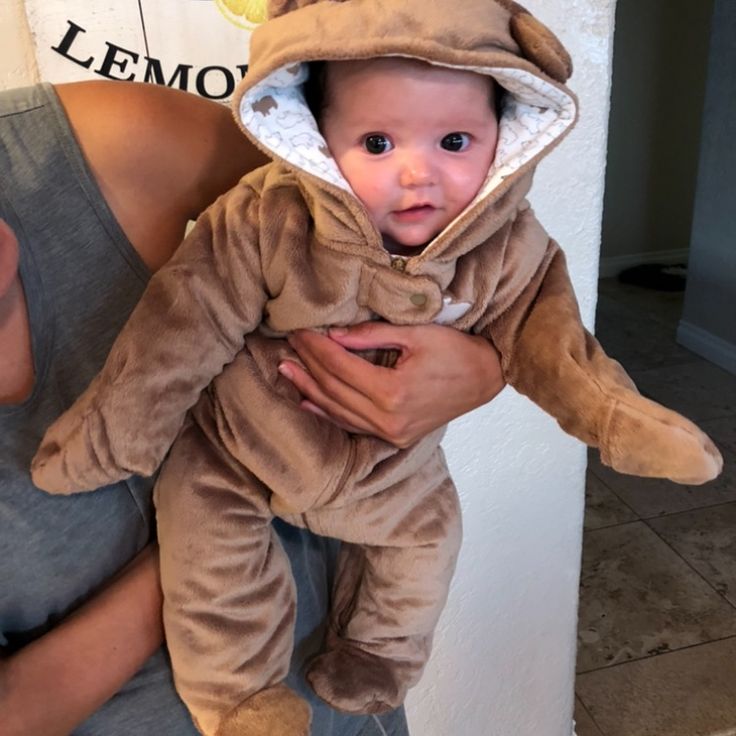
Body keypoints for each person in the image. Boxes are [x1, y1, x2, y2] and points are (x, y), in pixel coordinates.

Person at [30, 0, 722, 734]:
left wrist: (617, 420)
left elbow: (558, 351)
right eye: (378, 142)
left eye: (455, 140)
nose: (418, 174)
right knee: (211, 556)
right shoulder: (267, 219)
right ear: (319, 139)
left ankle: (374, 657)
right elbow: (179, 328)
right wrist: (116, 435)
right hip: (241, 448)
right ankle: (238, 699)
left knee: (428, 539)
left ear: (505, 137)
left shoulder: (509, 248)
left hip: (390, 467)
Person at [0, 78, 506, 736]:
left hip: (352, 711)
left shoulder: (112, 142)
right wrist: (214, 527)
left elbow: (395, 223)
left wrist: (485, 361)